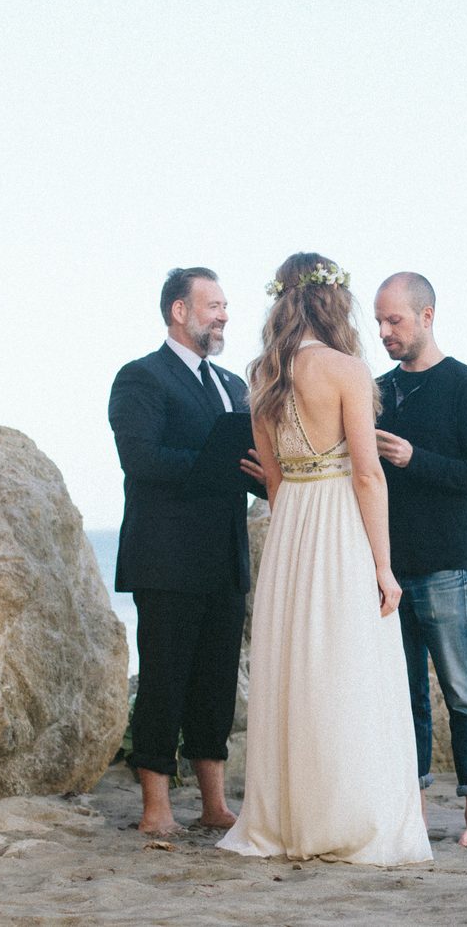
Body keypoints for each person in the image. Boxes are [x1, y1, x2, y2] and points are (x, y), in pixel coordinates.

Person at [217, 253, 431, 866]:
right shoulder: (347, 369)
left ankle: (287, 822)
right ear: (333, 301)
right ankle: (347, 818)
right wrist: (384, 568)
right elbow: (367, 475)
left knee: (295, 673)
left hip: (291, 529)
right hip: (338, 525)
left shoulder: (264, 372)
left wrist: (294, 532)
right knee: (348, 671)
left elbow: (277, 480)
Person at [108, 266, 265, 836]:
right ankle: (155, 809)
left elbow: (249, 468)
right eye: (214, 304)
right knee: (163, 682)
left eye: (226, 306)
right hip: (166, 559)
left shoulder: (231, 385)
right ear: (179, 310)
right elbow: (141, 460)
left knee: (216, 685)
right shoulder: (140, 378)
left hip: (225, 559)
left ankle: (215, 805)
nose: (224, 314)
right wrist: (215, 464)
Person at [372, 271, 467, 849]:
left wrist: (413, 458)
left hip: (446, 567)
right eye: (378, 322)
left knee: (462, 694)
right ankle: (416, 812)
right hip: (388, 571)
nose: (384, 332)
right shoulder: (375, 391)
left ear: (427, 317)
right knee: (406, 699)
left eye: (394, 320)